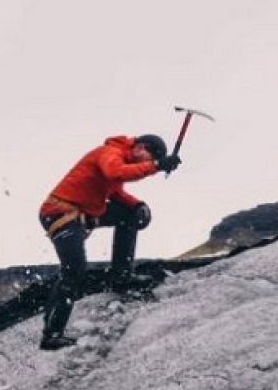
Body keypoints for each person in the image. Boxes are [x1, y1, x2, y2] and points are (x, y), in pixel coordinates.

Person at [36, 134, 181, 351]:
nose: (146, 163)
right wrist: (157, 165)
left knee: (131, 215)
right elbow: (115, 172)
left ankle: (121, 276)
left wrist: (138, 205)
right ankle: (52, 334)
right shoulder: (110, 153)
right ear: (140, 147)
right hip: (59, 213)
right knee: (74, 270)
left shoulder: (122, 159)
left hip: (81, 214)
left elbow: (115, 192)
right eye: (148, 157)